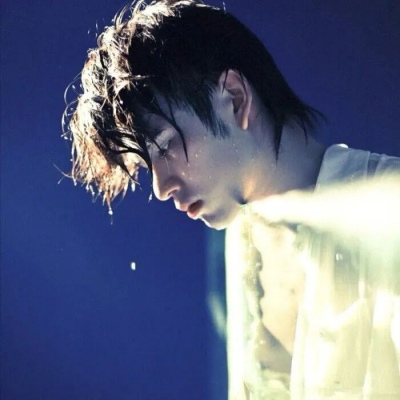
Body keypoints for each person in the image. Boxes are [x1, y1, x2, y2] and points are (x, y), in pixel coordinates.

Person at [64, 1, 400, 398]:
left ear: (235, 99)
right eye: (146, 163)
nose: (160, 187)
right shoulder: (240, 242)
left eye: (165, 145)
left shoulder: (389, 209)